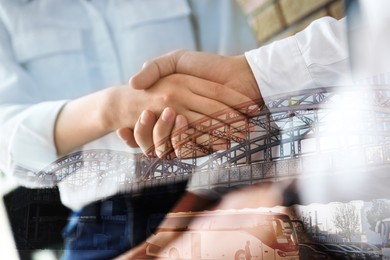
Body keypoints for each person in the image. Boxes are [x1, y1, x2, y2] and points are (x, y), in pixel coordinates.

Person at [0, 0, 258, 259]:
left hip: (210, 197)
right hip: (98, 231)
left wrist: (170, 234)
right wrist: (114, 108)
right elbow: (10, 146)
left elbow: (250, 106)